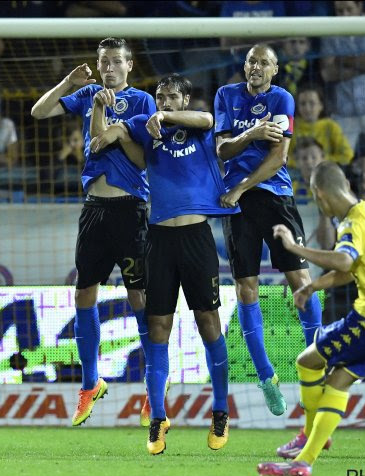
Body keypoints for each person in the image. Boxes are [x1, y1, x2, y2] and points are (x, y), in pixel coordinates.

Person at [90, 74, 276, 454]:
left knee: (209, 323)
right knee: (157, 327)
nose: (165, 102)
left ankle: (221, 411)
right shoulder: (148, 129)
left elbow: (207, 120)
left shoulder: (200, 127)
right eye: (160, 97)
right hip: (158, 239)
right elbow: (119, 148)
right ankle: (157, 418)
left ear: (185, 99)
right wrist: (121, 130)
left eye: (172, 97)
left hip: (196, 238)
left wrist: (168, 117)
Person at [258, 161, 365, 476]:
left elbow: (344, 258)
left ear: (320, 194)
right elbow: (349, 270)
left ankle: (308, 436)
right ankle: (304, 460)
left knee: (307, 362)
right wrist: (313, 285)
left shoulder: (352, 224)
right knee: (338, 381)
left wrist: (294, 246)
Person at [31, 38, 156, 426]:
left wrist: (118, 131)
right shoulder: (87, 94)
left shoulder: (142, 101)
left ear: (130, 65)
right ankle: (90, 383)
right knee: (84, 292)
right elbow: (39, 112)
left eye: (117, 61)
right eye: (104, 62)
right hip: (94, 208)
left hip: (131, 208)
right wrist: (68, 82)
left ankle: (156, 387)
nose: (109, 68)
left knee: (139, 295)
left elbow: (146, 154)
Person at [215, 43, 322, 416]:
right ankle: (266, 377)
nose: (255, 67)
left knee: (302, 282)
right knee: (246, 287)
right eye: (250, 61)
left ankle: (317, 367)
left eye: (263, 62)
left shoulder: (282, 99)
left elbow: (280, 156)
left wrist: (242, 187)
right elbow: (222, 150)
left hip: (272, 195)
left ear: (275, 70)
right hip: (237, 203)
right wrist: (249, 136)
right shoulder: (225, 95)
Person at [320, 1, 365, 166]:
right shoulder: (329, 30)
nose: (345, 15)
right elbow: (327, 73)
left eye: (349, 9)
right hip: (344, 110)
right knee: (338, 163)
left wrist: (344, 60)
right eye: (340, 11)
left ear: (360, 6)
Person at [288, 84, 353, 168]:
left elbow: (347, 155)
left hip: (325, 170)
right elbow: (283, 156)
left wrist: (321, 161)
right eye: (303, 104)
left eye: (312, 103)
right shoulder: (290, 126)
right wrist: (301, 164)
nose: (307, 108)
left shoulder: (330, 126)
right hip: (297, 173)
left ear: (321, 106)